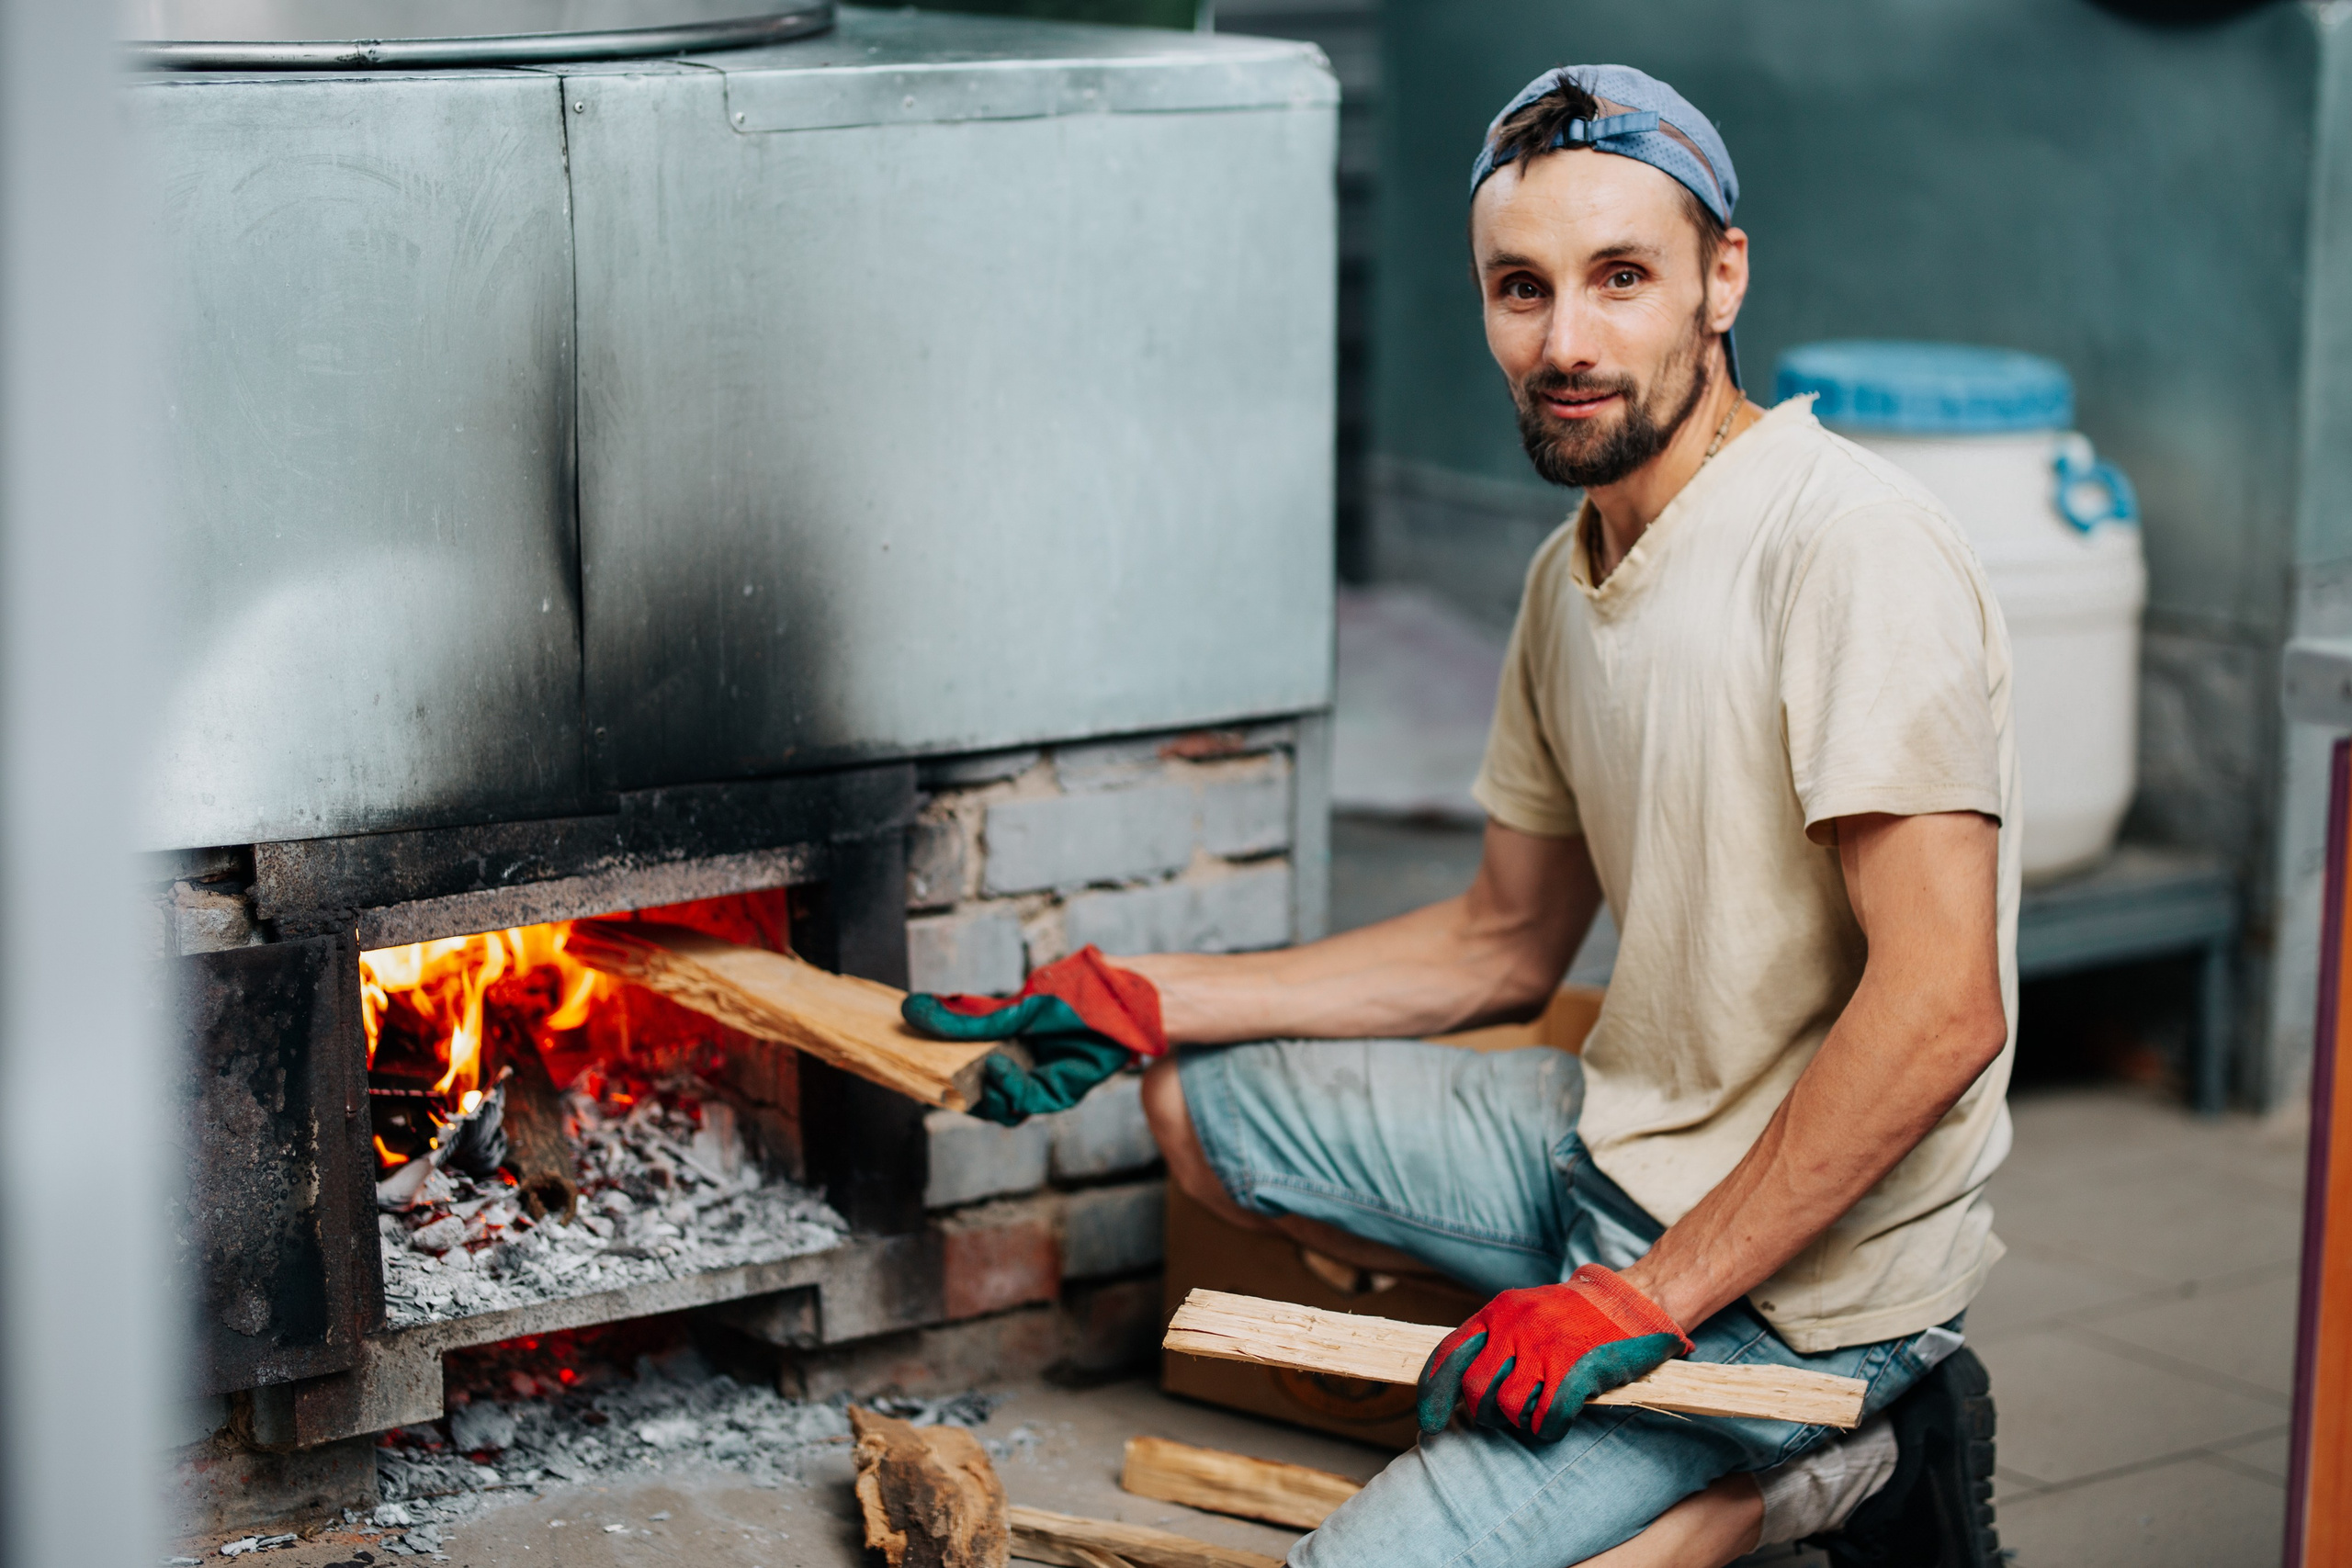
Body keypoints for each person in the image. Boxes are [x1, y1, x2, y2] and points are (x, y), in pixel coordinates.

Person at [907, 63, 2018, 1568]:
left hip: (1806, 1284)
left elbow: (1944, 1008)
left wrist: (1638, 1302)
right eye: (1522, 288)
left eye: (1622, 278)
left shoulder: (1849, 545)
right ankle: (1605, 1434)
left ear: (1721, 280)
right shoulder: (1570, 576)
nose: (1567, 343)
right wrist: (1144, 996)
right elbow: (1503, 941)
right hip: (1613, 1147)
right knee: (1198, 1108)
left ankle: (1836, 1465)